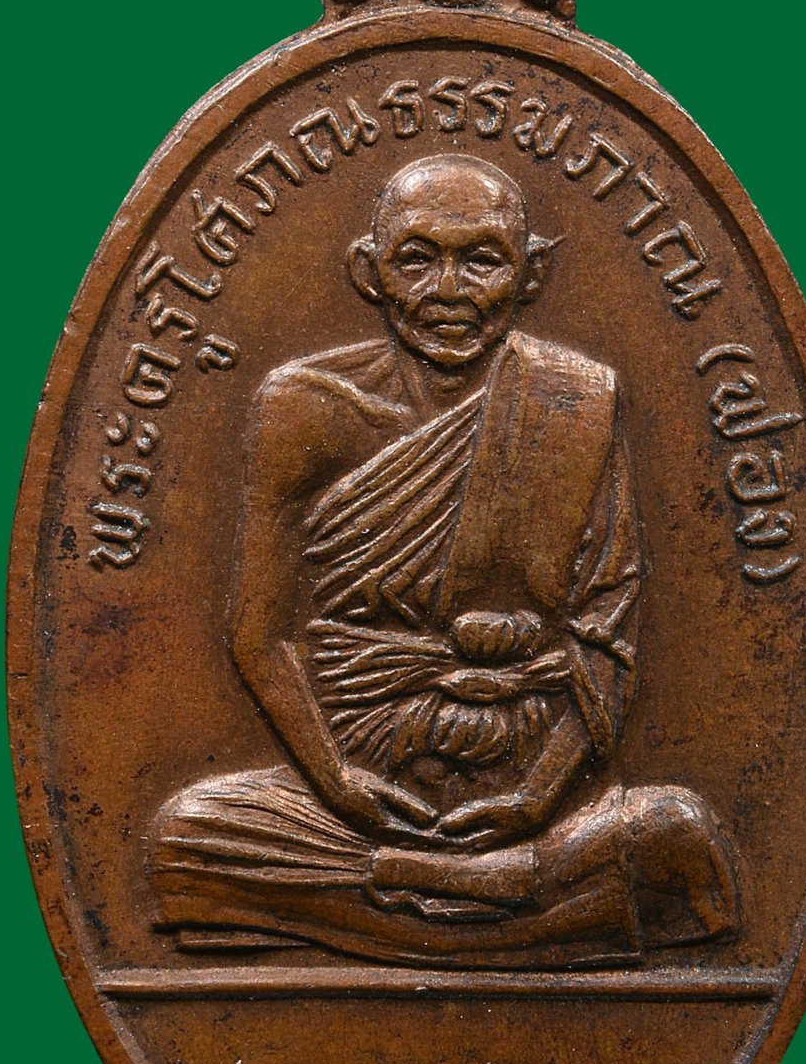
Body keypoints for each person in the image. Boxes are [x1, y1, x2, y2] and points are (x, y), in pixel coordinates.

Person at [150, 154, 738, 966]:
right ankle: (518, 901)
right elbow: (259, 633)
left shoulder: (572, 399)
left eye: (483, 259)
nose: (450, 290)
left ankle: (434, 893)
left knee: (677, 830)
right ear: (369, 272)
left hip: (523, 777)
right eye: (418, 258)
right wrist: (337, 784)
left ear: (531, 275)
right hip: (356, 786)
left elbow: (606, 632)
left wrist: (532, 800)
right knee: (185, 833)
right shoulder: (302, 407)